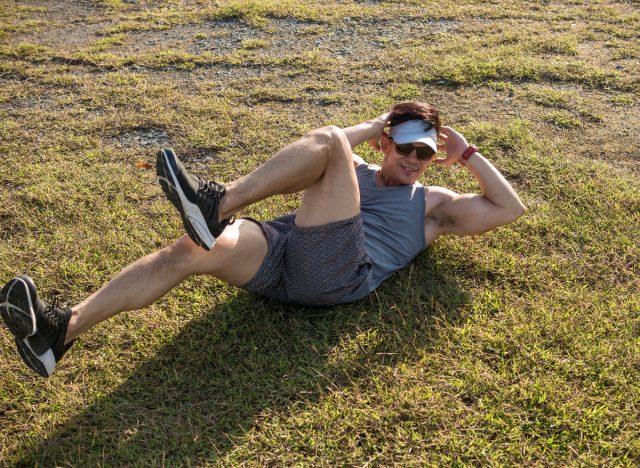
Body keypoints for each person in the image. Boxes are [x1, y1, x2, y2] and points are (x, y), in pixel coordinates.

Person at [0, 102, 526, 378]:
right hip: (283, 251)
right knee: (189, 251)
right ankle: (59, 332)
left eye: (425, 154)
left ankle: (219, 203)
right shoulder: (358, 165)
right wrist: (371, 126)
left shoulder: (431, 205)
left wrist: (469, 154)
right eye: (406, 148)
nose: (414, 162)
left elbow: (508, 209)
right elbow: (334, 150)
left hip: (339, 274)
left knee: (325, 143)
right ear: (387, 142)